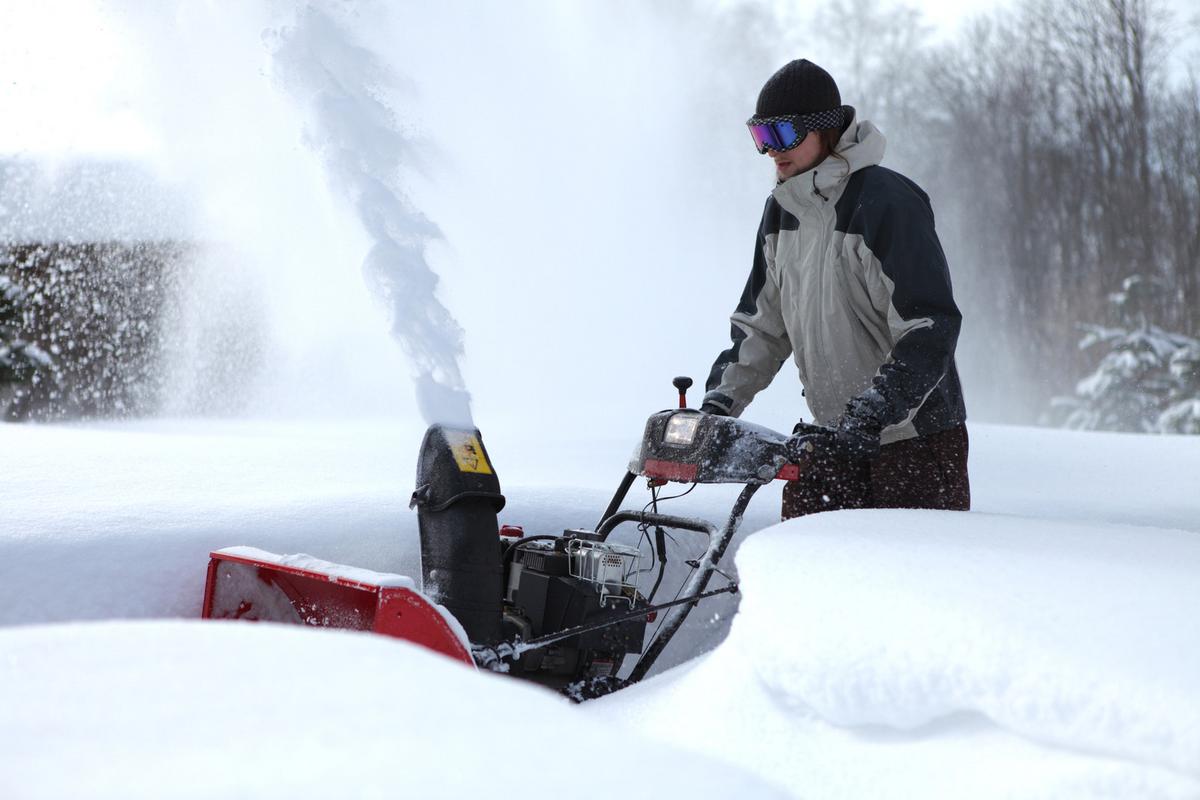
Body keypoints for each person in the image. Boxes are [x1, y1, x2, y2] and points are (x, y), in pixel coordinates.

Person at [701, 59, 970, 519]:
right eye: (761, 138)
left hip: (913, 444)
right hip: (835, 439)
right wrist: (715, 410)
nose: (771, 152)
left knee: (907, 584)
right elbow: (762, 329)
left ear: (824, 131)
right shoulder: (781, 212)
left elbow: (930, 327)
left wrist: (877, 409)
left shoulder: (885, 203)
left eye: (782, 135)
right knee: (812, 574)